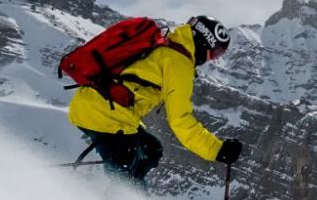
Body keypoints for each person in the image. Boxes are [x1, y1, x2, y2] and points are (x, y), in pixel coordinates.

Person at [68, 15, 244, 183]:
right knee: (125, 173)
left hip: (97, 106)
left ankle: (120, 194)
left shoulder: (165, 44)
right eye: (214, 53)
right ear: (205, 42)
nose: (212, 60)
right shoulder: (178, 63)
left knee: (151, 149)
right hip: (105, 116)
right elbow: (180, 120)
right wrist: (217, 150)